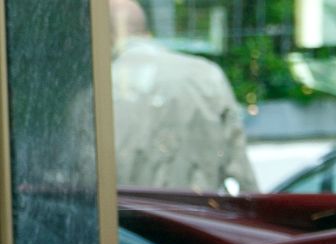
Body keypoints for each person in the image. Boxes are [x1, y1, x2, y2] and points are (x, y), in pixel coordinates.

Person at [109, 0, 259, 194]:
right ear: (145, 30)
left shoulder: (97, 87)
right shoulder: (206, 74)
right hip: (195, 218)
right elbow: (241, 172)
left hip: (126, 220)